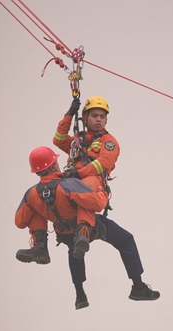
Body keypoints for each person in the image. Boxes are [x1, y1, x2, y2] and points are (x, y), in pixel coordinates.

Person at [15, 146, 160, 310]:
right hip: (91, 227)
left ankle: (79, 294)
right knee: (126, 240)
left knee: (72, 250)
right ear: (52, 165)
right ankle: (138, 287)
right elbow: (97, 203)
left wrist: (42, 207)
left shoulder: (31, 194)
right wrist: (103, 191)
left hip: (65, 234)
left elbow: (20, 221)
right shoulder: (69, 185)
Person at [53, 96, 119, 244]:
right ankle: (40, 241)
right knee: (44, 190)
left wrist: (79, 173)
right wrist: (69, 114)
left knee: (85, 189)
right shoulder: (79, 140)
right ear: (85, 117)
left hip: (93, 179)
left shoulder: (108, 141)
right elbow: (59, 139)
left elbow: (103, 163)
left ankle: (83, 230)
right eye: (94, 116)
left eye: (102, 117)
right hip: (72, 178)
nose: (99, 120)